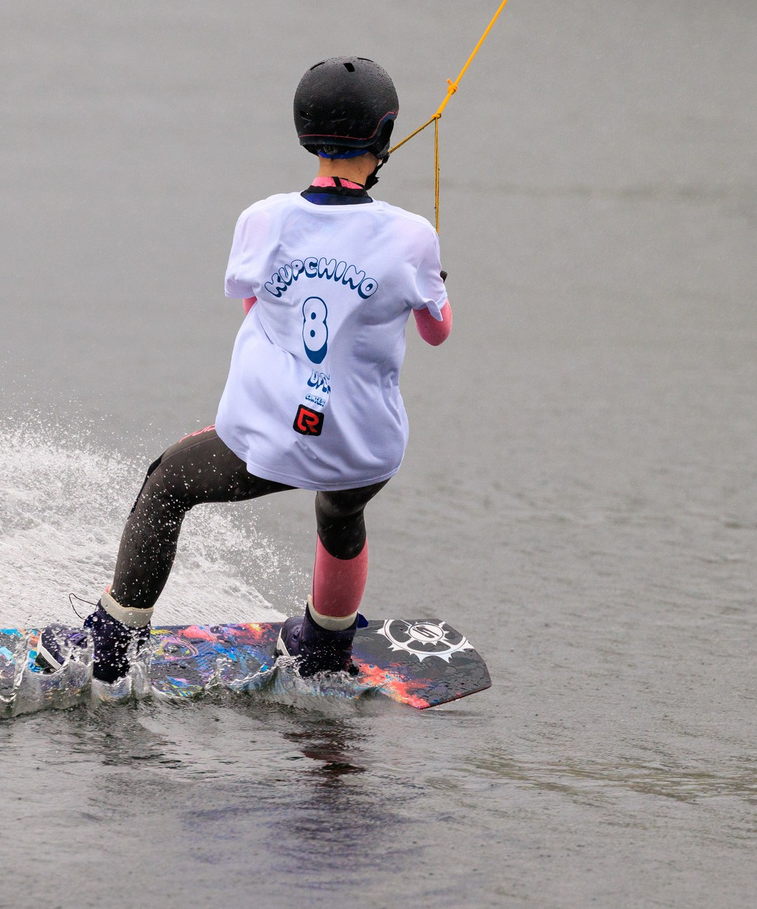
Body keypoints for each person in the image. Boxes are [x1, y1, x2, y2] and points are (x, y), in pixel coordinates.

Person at [44, 56, 453, 694]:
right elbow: (436, 331)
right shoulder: (412, 235)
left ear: (305, 132)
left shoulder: (265, 218)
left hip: (270, 439)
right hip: (365, 448)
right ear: (384, 135)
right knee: (341, 514)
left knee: (168, 483)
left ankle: (113, 639)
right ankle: (325, 645)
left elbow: (252, 302)